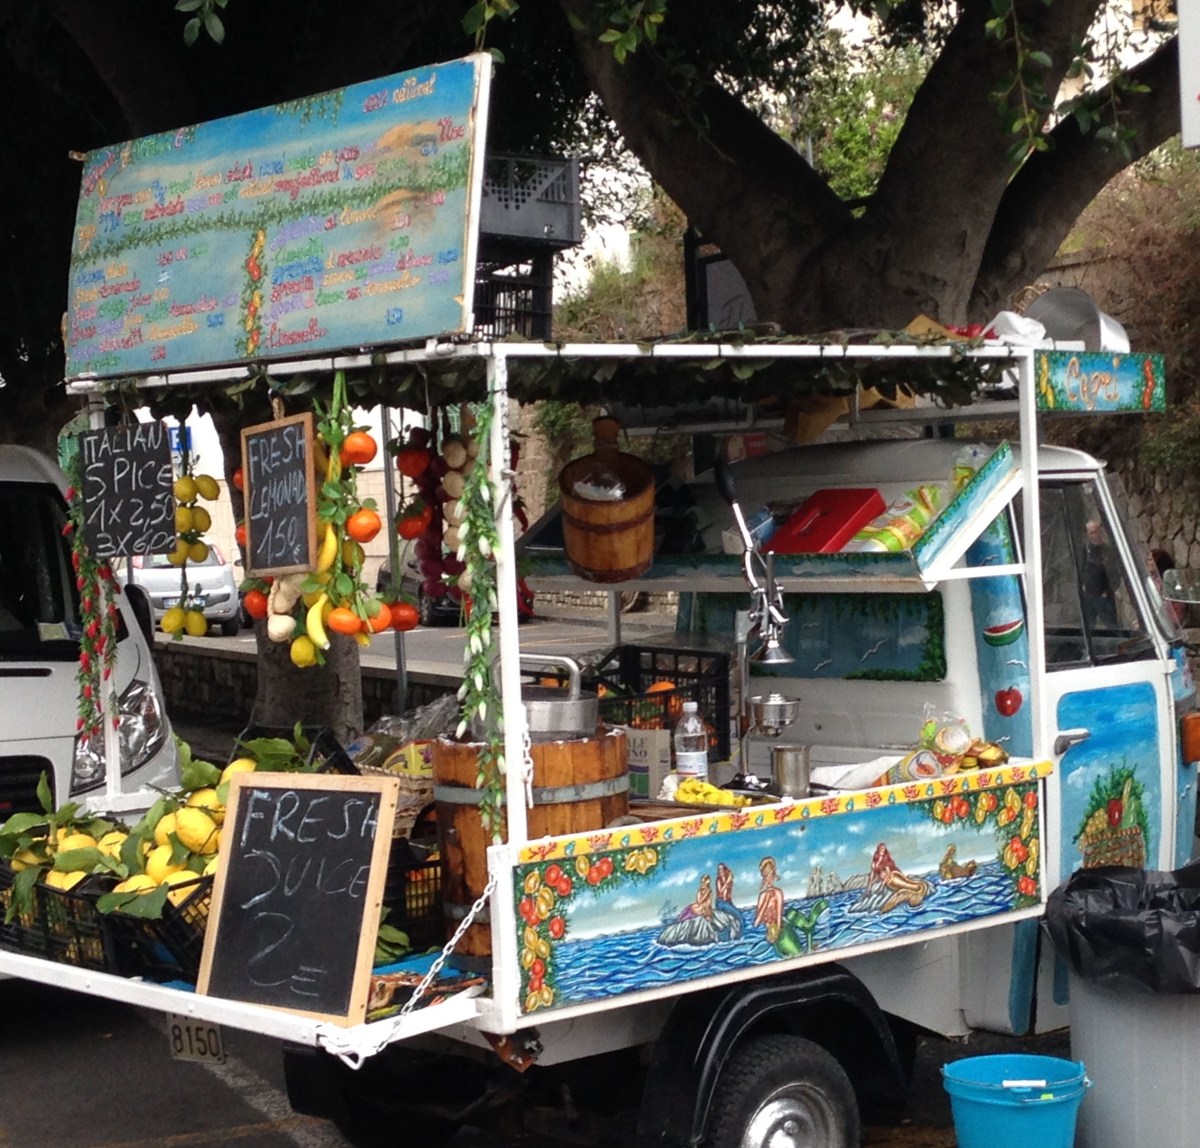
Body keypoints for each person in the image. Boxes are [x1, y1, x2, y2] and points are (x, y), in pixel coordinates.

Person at [1081, 519, 1118, 629]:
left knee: (1111, 626)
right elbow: (1082, 568)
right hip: (1088, 594)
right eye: (1091, 533)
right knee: (1088, 626)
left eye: (1096, 532)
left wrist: (1108, 591)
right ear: (1088, 534)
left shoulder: (1108, 550)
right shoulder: (1086, 549)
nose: (1095, 535)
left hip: (1104, 595)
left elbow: (1115, 574)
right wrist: (1083, 584)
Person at [752, 856, 784, 942]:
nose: (769, 879)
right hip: (764, 931)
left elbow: (779, 916)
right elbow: (756, 923)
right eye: (766, 876)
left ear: (774, 875)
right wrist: (766, 900)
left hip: (776, 930)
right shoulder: (762, 896)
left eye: (771, 875)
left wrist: (777, 933)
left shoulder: (778, 893)